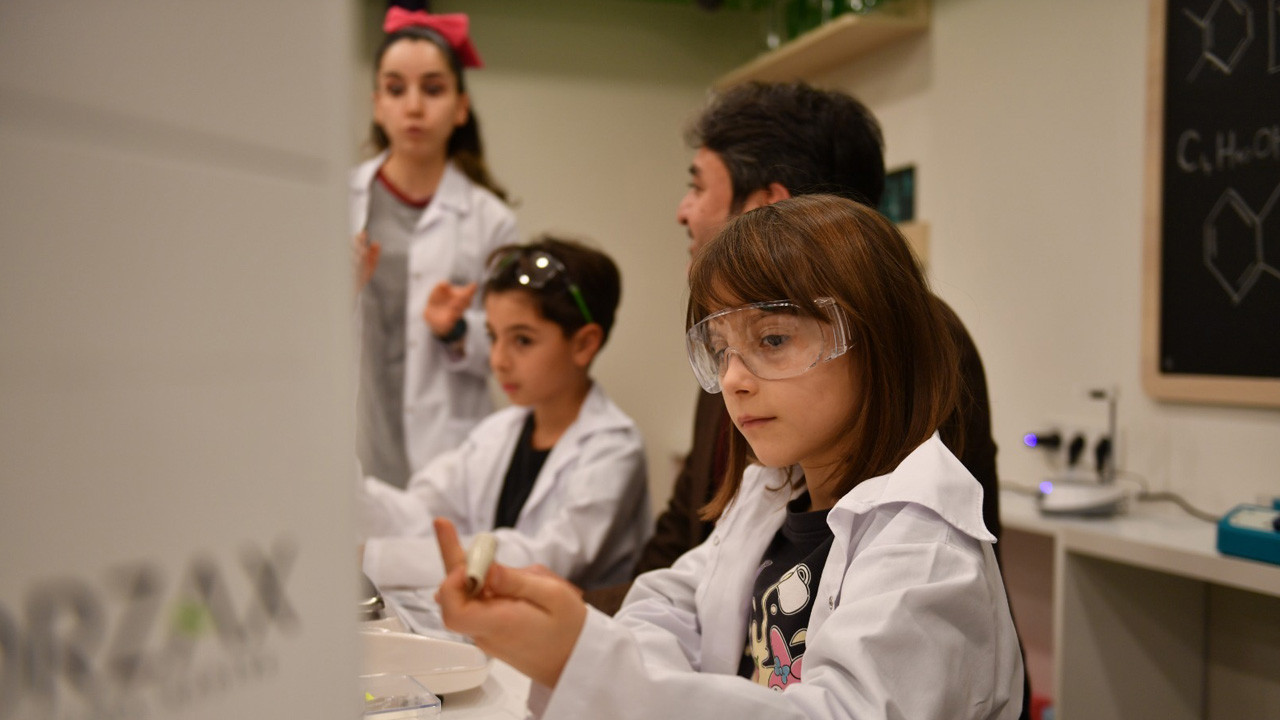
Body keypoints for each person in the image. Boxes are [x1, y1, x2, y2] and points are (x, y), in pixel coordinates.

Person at [434, 196, 1025, 719]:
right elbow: (668, 605)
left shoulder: (924, 549)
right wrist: (597, 657)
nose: (733, 379)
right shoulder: (768, 497)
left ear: (876, 341)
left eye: (773, 339)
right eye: (720, 350)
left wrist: (587, 665)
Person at [583, 80, 1000, 614]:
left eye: (699, 187)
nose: (684, 211)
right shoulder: (740, 351)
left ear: (767, 205)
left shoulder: (920, 342)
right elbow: (687, 546)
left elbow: (896, 606)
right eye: (721, 350)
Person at [360, 237, 650, 593]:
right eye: (493, 336)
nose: (498, 360)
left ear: (584, 344)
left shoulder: (614, 448)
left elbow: (545, 558)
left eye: (522, 340)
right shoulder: (498, 432)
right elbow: (422, 513)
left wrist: (376, 558)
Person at [351, 5, 519, 488]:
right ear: (377, 104)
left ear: (461, 107)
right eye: (395, 89)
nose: (414, 107)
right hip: (354, 441)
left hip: (449, 455)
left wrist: (457, 331)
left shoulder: (491, 220)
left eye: (433, 88)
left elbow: (513, 350)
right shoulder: (337, 202)